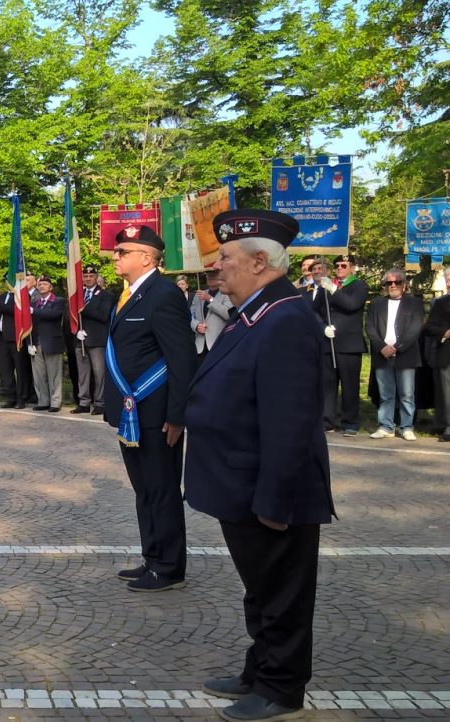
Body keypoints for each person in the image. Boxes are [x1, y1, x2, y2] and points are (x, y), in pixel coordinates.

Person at [186, 209, 335, 722]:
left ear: (259, 262)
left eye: (225, 258)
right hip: (241, 486)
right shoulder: (256, 314)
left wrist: (275, 502)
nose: (217, 268)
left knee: (282, 592)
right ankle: (260, 668)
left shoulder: (287, 318)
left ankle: (281, 687)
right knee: (262, 588)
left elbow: (290, 422)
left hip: (270, 495)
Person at [104, 225, 197, 592]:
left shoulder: (164, 294)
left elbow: (182, 359)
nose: (116, 257)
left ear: (146, 257)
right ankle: (152, 558)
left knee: (162, 490)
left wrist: (177, 416)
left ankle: (169, 567)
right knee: (144, 489)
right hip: (132, 414)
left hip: (156, 414)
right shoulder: (128, 295)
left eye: (122, 252)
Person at [365, 268, 424, 441]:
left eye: (397, 282)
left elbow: (415, 328)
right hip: (382, 355)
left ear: (404, 285)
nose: (393, 285)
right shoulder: (376, 304)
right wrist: (381, 346)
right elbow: (369, 327)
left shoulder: (415, 303)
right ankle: (386, 426)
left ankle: (406, 427)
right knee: (386, 394)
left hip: (406, 354)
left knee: (407, 394)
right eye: (389, 282)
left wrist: (397, 347)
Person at [322, 254, 369, 436]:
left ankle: (350, 422)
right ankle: (327, 420)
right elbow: (319, 309)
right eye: (337, 265)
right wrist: (323, 326)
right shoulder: (327, 285)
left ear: (352, 268)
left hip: (349, 344)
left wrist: (334, 289)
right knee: (328, 386)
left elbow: (352, 304)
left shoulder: (359, 285)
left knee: (350, 386)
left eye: (344, 265)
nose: (340, 268)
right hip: (329, 341)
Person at [74, 266, 113, 414]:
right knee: (83, 374)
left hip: (97, 339)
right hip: (80, 339)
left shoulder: (105, 295)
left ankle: (100, 402)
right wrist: (76, 331)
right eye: (85, 276)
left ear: (96, 277)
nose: (88, 278)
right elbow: (71, 316)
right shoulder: (77, 295)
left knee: (99, 373)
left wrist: (85, 309)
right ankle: (84, 402)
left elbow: (103, 315)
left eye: (91, 276)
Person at [27, 277, 65, 411]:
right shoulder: (34, 303)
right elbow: (28, 325)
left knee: (54, 375)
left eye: (45, 284)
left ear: (51, 287)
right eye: (40, 284)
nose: (42, 286)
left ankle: (55, 402)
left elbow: (54, 315)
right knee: (39, 375)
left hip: (52, 342)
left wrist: (34, 311)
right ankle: (43, 401)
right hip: (36, 342)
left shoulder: (58, 301)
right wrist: (28, 343)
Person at [0, 278, 30, 409]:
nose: (9, 283)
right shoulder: (2, 296)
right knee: (5, 369)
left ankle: (21, 398)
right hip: (2, 337)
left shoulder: (22, 295)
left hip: (16, 337)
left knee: (20, 369)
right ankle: (11, 396)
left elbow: (17, 311)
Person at [425, 266, 450, 442]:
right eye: (447, 279)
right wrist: (446, 332)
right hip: (446, 353)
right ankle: (448, 425)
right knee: (446, 393)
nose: (449, 282)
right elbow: (430, 327)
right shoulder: (440, 303)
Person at [190, 268, 234, 360]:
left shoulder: (227, 294)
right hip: (200, 346)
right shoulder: (199, 295)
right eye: (208, 274)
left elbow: (228, 314)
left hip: (219, 344)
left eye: (213, 274)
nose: (210, 276)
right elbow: (190, 315)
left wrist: (210, 299)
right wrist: (196, 326)